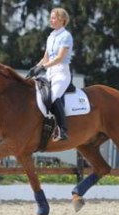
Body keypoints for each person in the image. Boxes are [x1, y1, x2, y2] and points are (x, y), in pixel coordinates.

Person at [27, 7, 73, 142]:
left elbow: (59, 58)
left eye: (53, 18)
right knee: (38, 96)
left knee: (53, 97)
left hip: (61, 73)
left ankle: (63, 130)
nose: (50, 20)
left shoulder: (66, 36)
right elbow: (46, 57)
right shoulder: (51, 36)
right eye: (51, 17)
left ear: (62, 20)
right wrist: (36, 67)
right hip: (50, 73)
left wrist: (43, 67)